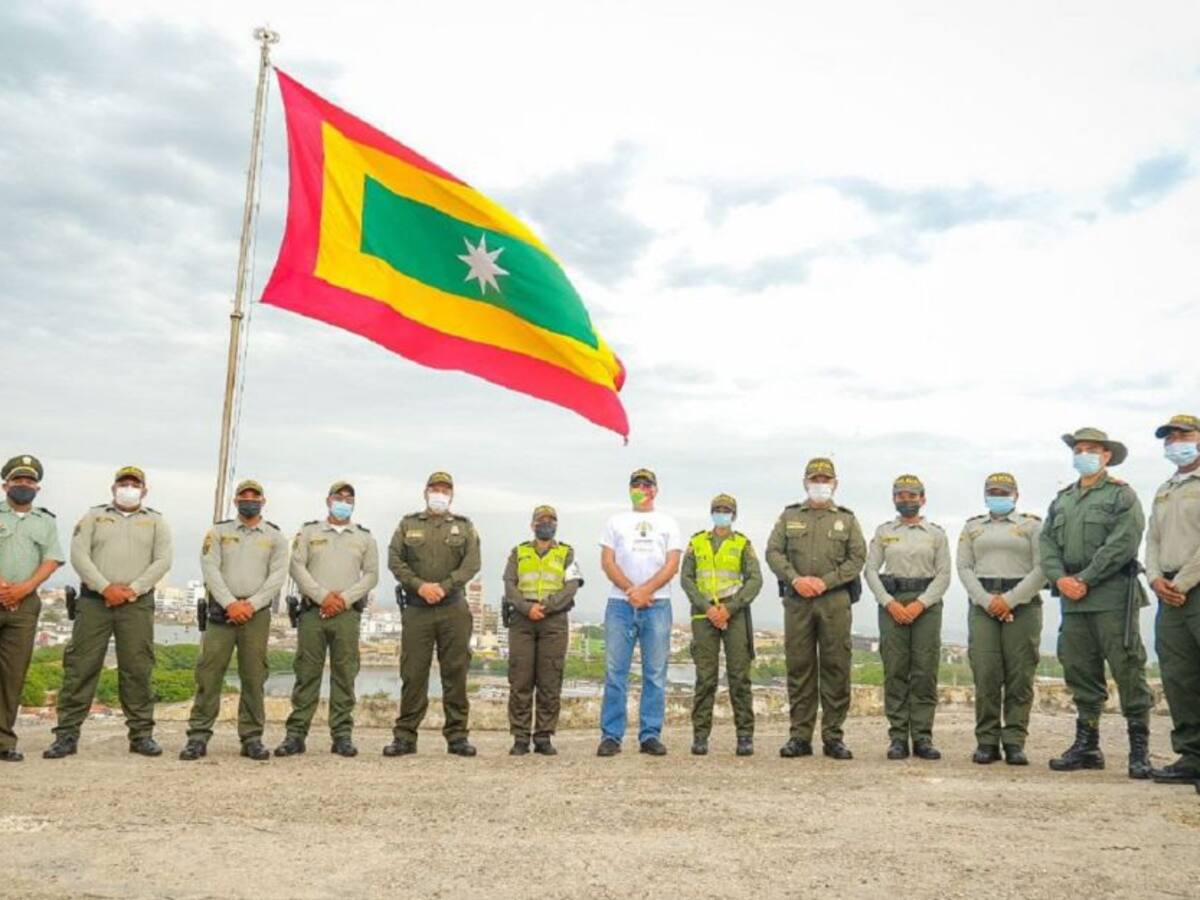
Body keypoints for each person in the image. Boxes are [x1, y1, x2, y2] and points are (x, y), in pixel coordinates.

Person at [1041, 427, 1153, 778]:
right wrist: (1060, 578)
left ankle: (1139, 751)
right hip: (1073, 600)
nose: (1083, 455)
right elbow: (1046, 544)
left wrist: (1084, 579)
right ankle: (1087, 746)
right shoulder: (1063, 500)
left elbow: (1124, 543)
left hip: (1111, 597)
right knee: (1079, 669)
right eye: (1078, 450)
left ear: (1106, 456)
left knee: (1127, 667)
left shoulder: (1122, 496)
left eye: (1091, 449)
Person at [45, 466, 172, 759]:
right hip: (94, 603)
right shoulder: (93, 516)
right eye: (123, 483)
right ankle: (66, 736)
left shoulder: (155, 522)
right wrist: (105, 588)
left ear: (144, 490)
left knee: (137, 669)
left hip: (136, 604)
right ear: (113, 488)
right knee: (80, 668)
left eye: (134, 483)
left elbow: (163, 560)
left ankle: (141, 735)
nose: (129, 487)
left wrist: (133, 589)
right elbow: (79, 554)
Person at [180, 479, 288, 761]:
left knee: (254, 676)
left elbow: (277, 576)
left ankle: (252, 738)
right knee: (209, 673)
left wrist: (250, 605)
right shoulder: (218, 532)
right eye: (244, 496)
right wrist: (230, 603)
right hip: (222, 613)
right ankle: (198, 736)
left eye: (255, 496)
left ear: (263, 501)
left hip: (256, 613)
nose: (249, 500)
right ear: (236, 501)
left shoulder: (275, 536)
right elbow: (210, 568)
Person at [765, 458, 865, 760]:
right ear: (805, 482)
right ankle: (800, 736)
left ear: (835, 483)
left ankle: (834, 737)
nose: (820, 483)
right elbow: (773, 552)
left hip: (834, 601)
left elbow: (857, 557)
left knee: (836, 667)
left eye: (825, 479)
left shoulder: (846, 520)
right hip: (798, 603)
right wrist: (796, 579)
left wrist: (826, 582)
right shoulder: (789, 516)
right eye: (815, 478)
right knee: (800, 668)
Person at [276, 481, 378, 759]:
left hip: (346, 615)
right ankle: (296, 735)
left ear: (354, 504)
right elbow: (296, 566)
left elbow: (371, 575)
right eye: (338, 497)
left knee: (345, 675)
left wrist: (343, 599)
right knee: (306, 673)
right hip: (313, 613)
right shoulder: (309, 532)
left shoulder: (364, 537)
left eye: (348, 498)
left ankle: (342, 736)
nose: (343, 502)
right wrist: (323, 597)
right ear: (328, 500)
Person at [384, 472, 481, 757]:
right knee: (413, 673)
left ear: (451, 495)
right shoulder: (408, 524)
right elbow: (394, 559)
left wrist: (444, 587)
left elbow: (471, 564)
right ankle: (405, 736)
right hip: (417, 607)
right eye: (435, 489)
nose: (440, 494)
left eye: (445, 489)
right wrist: (420, 586)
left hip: (453, 607)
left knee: (455, 671)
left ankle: (457, 736)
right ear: (426, 492)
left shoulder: (464, 527)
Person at [955, 472, 1045, 766]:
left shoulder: (1031, 526)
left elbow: (1041, 569)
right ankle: (987, 741)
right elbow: (965, 567)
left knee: (1020, 675)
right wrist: (988, 601)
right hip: (983, 604)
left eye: (1004, 492)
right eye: (992, 491)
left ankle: (1015, 741)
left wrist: (1008, 601)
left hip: (1022, 604)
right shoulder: (972, 528)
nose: (998, 495)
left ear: (1016, 496)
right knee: (986, 674)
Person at [597, 468, 683, 757]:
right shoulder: (615, 521)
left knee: (655, 673)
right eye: (637, 484)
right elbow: (607, 561)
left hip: (657, 604)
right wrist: (631, 590)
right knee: (615, 672)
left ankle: (649, 734)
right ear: (630, 489)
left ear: (655, 490)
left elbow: (672, 564)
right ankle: (611, 736)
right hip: (620, 604)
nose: (642, 488)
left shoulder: (668, 522)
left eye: (647, 485)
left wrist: (646, 590)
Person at [865, 474, 951, 761]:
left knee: (925, 671)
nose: (906, 500)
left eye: (912, 496)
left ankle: (923, 737)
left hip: (926, 604)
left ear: (922, 499)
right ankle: (898, 737)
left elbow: (943, 574)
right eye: (901, 495)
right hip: (892, 604)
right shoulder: (883, 532)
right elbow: (872, 571)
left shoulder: (936, 534)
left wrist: (921, 604)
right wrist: (889, 603)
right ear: (894, 499)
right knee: (896, 670)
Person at [682, 493, 763, 757]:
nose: (722, 512)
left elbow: (754, 579)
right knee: (705, 677)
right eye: (717, 509)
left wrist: (729, 608)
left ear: (734, 514)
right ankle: (701, 735)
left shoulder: (742, 544)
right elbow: (687, 579)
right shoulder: (696, 542)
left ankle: (744, 736)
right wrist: (708, 608)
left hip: (734, 612)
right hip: (704, 614)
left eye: (726, 509)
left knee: (739, 676)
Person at [1145, 415, 1200, 787]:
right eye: (1170, 438)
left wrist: (1181, 581)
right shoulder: (1165, 488)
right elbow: (1152, 539)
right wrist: (1154, 578)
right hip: (1168, 591)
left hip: (1192, 586)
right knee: (1179, 677)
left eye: (1184, 435)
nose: (1175, 442)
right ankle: (1192, 755)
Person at [502, 505, 582, 756]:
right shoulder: (519, 552)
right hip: (522, 621)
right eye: (541, 520)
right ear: (533, 524)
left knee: (550, 680)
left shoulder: (567, 553)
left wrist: (545, 607)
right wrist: (527, 608)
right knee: (521, 679)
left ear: (556, 524)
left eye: (551, 520)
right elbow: (509, 584)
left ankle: (544, 736)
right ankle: (521, 737)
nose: (546, 524)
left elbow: (571, 586)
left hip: (553, 621)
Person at [0, 455, 64, 762]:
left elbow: (51, 559)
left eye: (29, 481)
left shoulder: (45, 521)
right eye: (17, 481)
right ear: (5, 485)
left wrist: (23, 590)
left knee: (12, 675)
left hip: (24, 605)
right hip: (3, 592)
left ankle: (3, 741)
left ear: (37, 488)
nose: (23, 486)